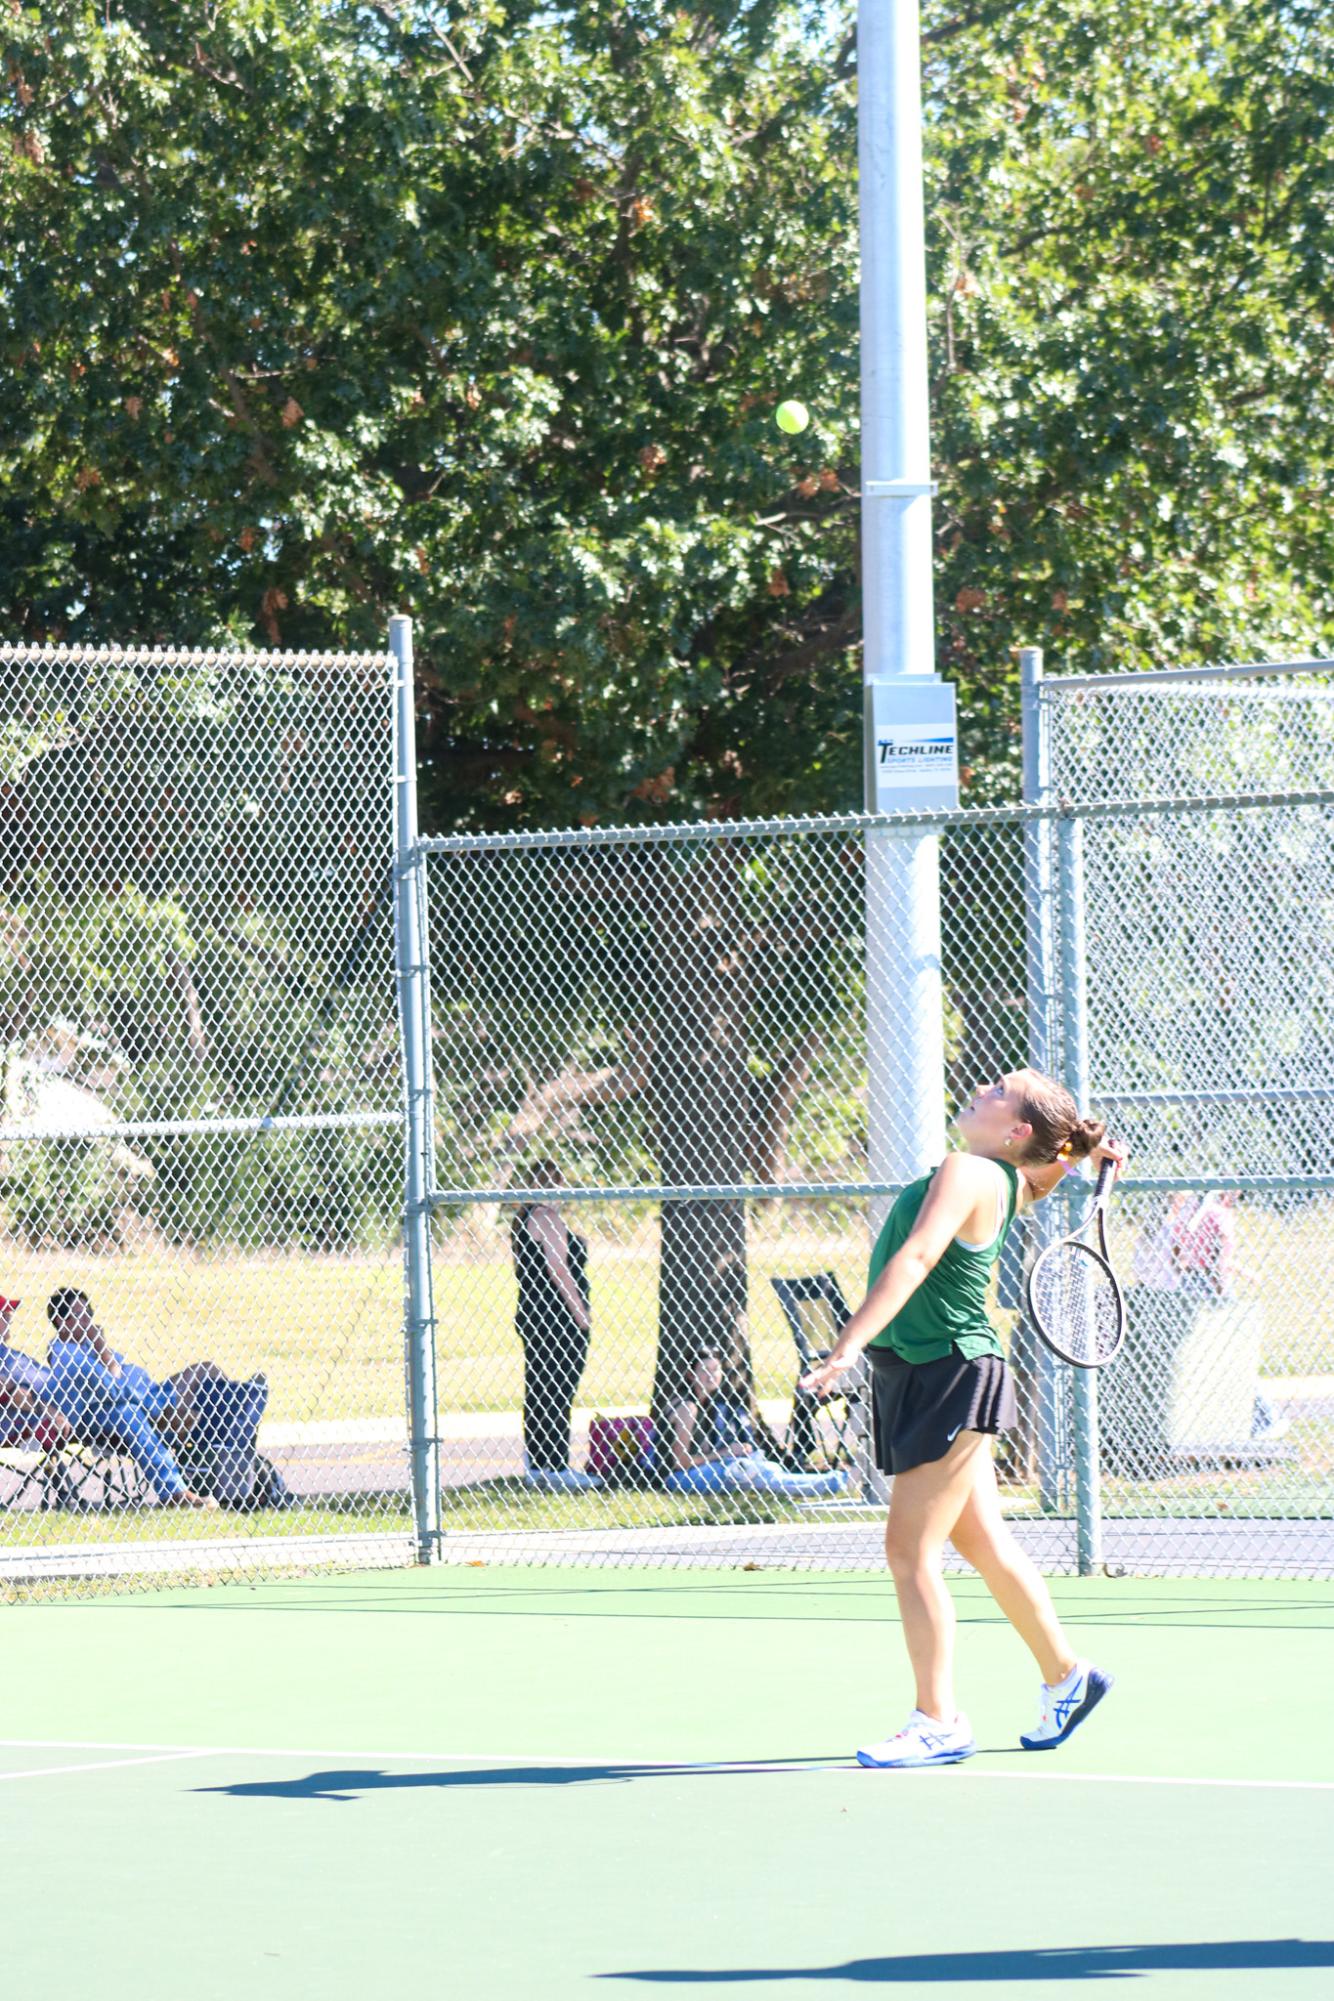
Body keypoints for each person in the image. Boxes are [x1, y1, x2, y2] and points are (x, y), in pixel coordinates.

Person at [800, 1069, 1127, 1769]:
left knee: (908, 1551)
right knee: (980, 1540)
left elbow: (917, 1256)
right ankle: (1067, 1675)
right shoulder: (1013, 1178)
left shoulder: (970, 1171)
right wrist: (1086, 1154)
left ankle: (938, 1719)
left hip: (945, 1374)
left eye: (1000, 1090)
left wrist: (846, 1346)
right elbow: (1048, 1169)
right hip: (934, 1369)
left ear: (1015, 1131)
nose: (981, 1085)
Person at [43, 1288, 265, 1510]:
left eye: (89, 1314)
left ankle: (225, 1437)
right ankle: (176, 1490)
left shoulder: (85, 1344)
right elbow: (112, 1389)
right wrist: (102, 1348)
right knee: (131, 1413)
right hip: (102, 1414)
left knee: (206, 1370)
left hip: (144, 1396)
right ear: (62, 1322)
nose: (89, 1322)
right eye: (81, 1316)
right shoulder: (65, 1353)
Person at [510, 1161, 602, 1493]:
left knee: (539, 1387)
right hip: (557, 1318)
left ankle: (539, 1464)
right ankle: (555, 1464)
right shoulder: (546, 1218)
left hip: (534, 1315)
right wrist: (581, 1315)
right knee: (558, 1389)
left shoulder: (524, 1218)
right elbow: (558, 1268)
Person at [664, 1347, 849, 1498]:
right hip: (677, 1478)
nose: (711, 1376)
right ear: (690, 1375)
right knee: (747, 1472)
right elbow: (680, 1463)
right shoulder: (687, 1407)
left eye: (715, 1369)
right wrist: (724, 1454)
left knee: (761, 1467)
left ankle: (823, 1481)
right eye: (704, 1370)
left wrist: (730, 1454)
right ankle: (826, 1484)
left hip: (698, 1470)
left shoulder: (704, 1404)